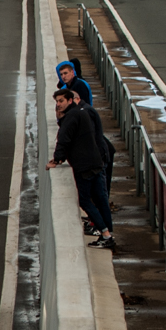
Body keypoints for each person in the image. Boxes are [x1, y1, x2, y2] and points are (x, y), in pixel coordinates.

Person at [46, 85, 114, 250]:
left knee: (85, 201)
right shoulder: (83, 113)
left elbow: (63, 140)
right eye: (57, 102)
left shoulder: (70, 118)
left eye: (61, 101)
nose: (59, 105)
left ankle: (105, 234)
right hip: (97, 162)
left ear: (70, 100)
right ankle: (109, 233)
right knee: (101, 199)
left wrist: (56, 160)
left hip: (84, 166)